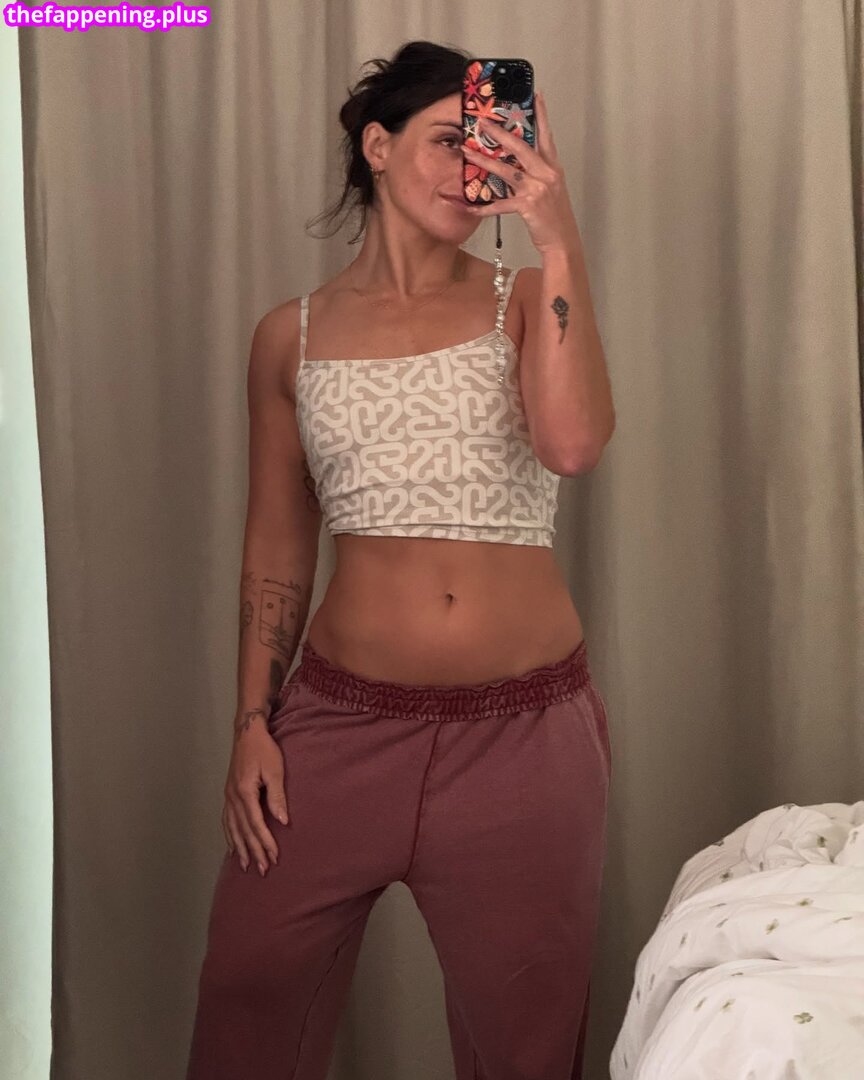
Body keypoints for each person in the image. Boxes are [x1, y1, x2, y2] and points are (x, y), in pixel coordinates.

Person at [186, 39, 616, 1080]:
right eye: (445, 141)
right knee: (248, 1001)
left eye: (489, 142)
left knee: (524, 1042)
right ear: (376, 148)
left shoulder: (526, 300)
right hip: (338, 732)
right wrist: (252, 721)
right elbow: (277, 539)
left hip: (523, 742)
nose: (473, 166)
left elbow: (571, 446)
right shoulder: (289, 337)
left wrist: (557, 232)